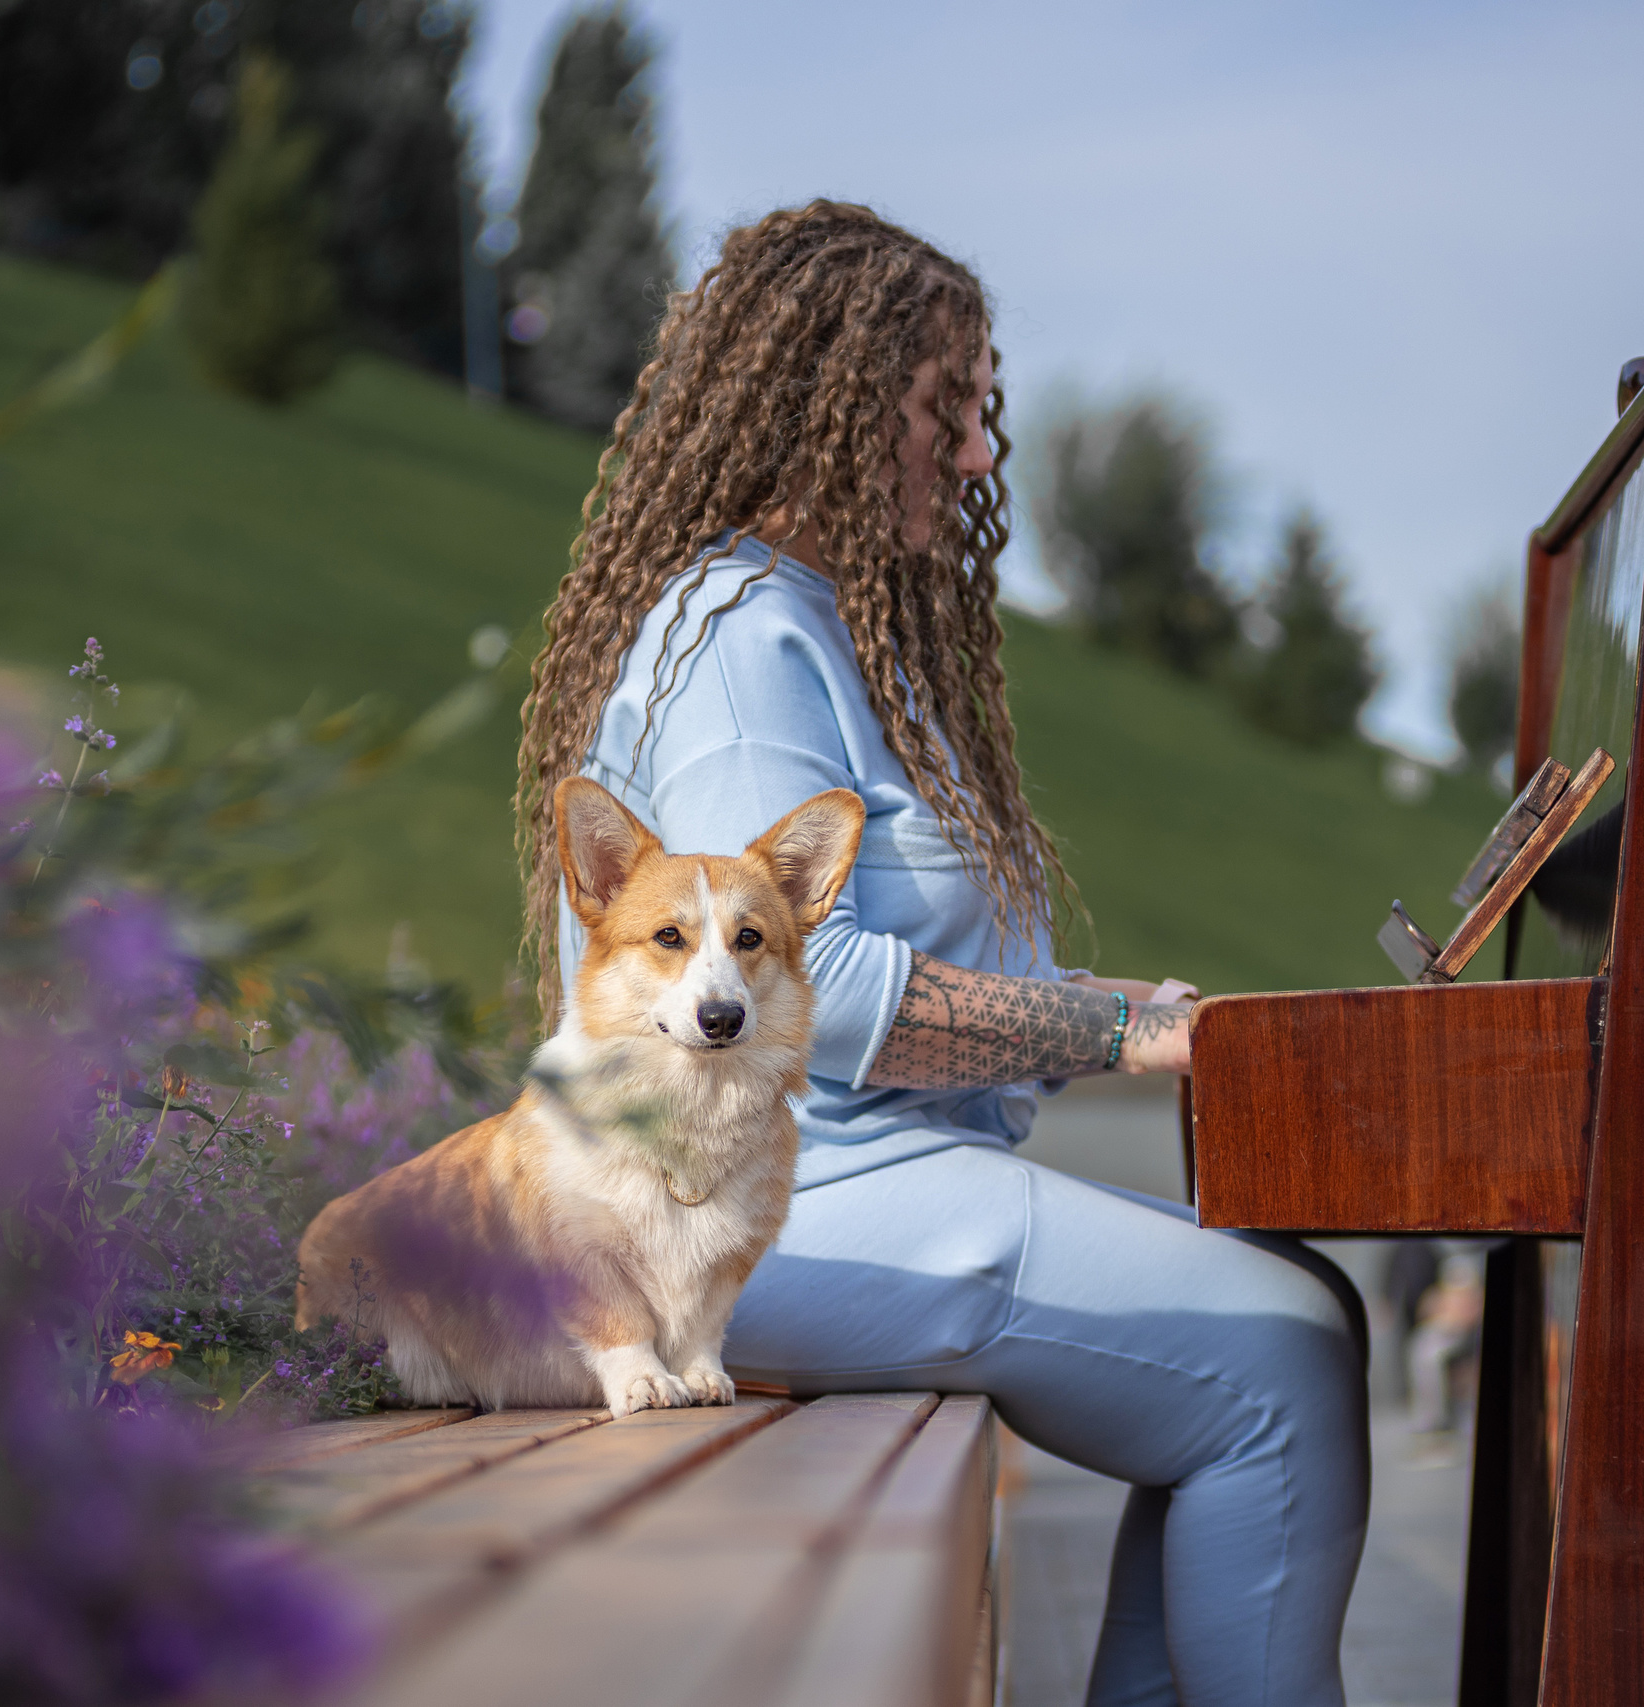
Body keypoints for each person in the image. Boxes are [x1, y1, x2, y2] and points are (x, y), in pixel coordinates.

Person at [515, 201, 1368, 1707]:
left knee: (1282, 1303)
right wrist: (1110, 1034)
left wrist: (1133, 1011)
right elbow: (801, 988)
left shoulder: (820, 628)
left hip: (848, 1183)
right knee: (1285, 1355)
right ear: (827, 404)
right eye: (945, 411)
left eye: (983, 415)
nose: (979, 458)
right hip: (781, 1208)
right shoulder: (737, 642)